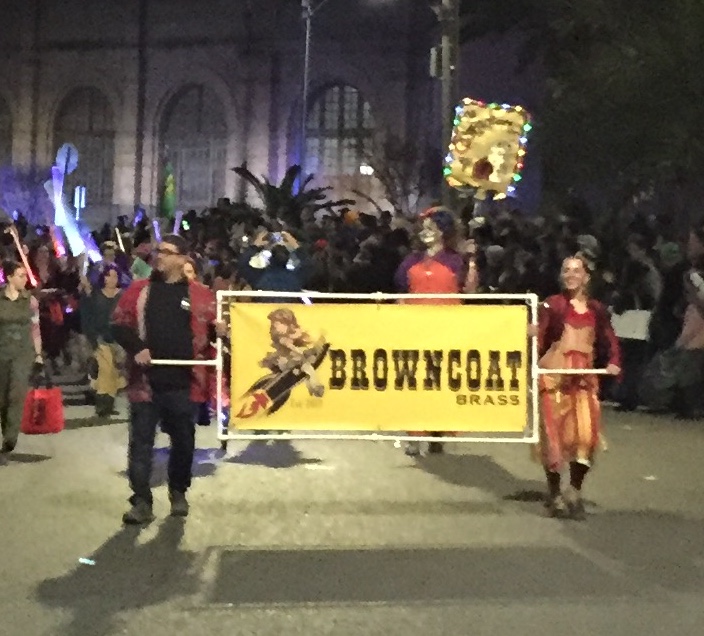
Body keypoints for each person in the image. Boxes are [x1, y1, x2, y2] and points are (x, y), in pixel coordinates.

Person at [111, 234, 226, 524]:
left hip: (184, 381)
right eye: (157, 251)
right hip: (146, 382)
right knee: (141, 443)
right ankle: (141, 501)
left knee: (184, 441)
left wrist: (220, 332)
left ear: (183, 258)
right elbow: (119, 324)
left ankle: (178, 491)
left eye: (166, 251)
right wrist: (137, 348)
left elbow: (212, 336)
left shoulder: (201, 295)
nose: (159, 256)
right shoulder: (139, 290)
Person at [537, 253, 621, 519]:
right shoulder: (552, 305)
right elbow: (539, 338)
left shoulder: (597, 309)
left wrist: (614, 362)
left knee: (585, 435)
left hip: (584, 378)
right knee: (553, 438)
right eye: (566, 270)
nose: (571, 275)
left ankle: (574, 490)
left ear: (586, 277)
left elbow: (609, 340)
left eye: (576, 270)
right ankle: (554, 493)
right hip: (554, 376)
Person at [394, 207, 469, 456]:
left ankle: (437, 432)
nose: (426, 232)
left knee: (442, 380)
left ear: (443, 231)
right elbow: (401, 289)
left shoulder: (456, 260)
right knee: (414, 380)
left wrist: (473, 260)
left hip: (447, 328)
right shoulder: (411, 259)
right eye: (424, 228)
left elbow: (469, 290)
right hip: (416, 328)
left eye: (432, 228)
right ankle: (414, 434)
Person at [0, 260, 43, 465]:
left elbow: (35, 329)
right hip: (1, 354)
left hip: (22, 355)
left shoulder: (30, 301)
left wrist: (38, 354)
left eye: (25, 275)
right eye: (20, 275)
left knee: (16, 397)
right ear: (9, 277)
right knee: (2, 400)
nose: (25, 279)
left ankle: (9, 441)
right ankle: (6, 432)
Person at [80, 263, 125, 417]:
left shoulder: (123, 295)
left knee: (114, 373)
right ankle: (102, 406)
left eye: (115, 276)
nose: (111, 279)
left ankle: (109, 404)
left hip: (118, 339)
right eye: (108, 276)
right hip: (100, 338)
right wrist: (92, 337)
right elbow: (88, 315)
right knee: (105, 370)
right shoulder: (96, 295)